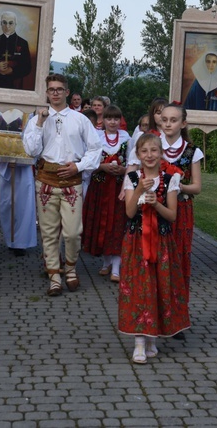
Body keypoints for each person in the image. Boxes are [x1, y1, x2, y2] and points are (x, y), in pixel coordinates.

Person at [23, 73, 102, 296]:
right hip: (46, 179)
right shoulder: (37, 120)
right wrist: (39, 122)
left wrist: (78, 167)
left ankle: (70, 268)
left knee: (73, 232)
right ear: (46, 93)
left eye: (59, 89)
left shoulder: (80, 119)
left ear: (67, 92)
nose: (55, 93)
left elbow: (96, 149)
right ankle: (54, 276)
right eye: (51, 89)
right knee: (48, 232)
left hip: (72, 181)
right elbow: (30, 150)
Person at [118, 133, 190, 364]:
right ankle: (139, 341)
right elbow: (129, 213)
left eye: (154, 151)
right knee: (140, 288)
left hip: (162, 241)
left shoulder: (171, 179)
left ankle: (152, 338)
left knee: (159, 286)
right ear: (138, 155)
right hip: (137, 242)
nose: (149, 155)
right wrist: (139, 190)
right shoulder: (131, 177)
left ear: (161, 153)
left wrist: (156, 203)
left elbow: (172, 215)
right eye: (144, 151)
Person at [82, 105, 130, 281]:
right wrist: (102, 167)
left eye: (116, 119)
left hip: (119, 189)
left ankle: (116, 267)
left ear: (120, 120)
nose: (112, 122)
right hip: (100, 188)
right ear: (104, 121)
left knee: (117, 225)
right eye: (109, 118)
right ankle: (106, 262)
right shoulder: (96, 138)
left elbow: (133, 164)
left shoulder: (127, 139)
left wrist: (122, 170)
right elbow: (88, 162)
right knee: (101, 224)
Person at [159, 104, 202, 298]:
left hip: (182, 207)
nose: (168, 124)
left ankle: (177, 301)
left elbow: (197, 187)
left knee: (179, 252)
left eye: (173, 120)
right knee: (158, 251)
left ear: (183, 123)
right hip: (156, 206)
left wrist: (179, 186)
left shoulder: (192, 151)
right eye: (165, 119)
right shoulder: (153, 146)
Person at [0, 110, 38, 256]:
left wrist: (20, 160)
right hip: (7, 167)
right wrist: (6, 160)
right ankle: (10, 239)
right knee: (7, 204)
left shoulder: (30, 115)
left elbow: (33, 140)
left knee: (23, 206)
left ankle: (21, 242)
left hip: (24, 169)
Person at [0, 11, 32, 89]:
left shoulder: (23, 43)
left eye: (11, 23)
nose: (7, 26)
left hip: (14, 84)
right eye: (4, 23)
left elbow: (27, 67)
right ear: (1, 24)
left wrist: (12, 70)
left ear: (15, 24)